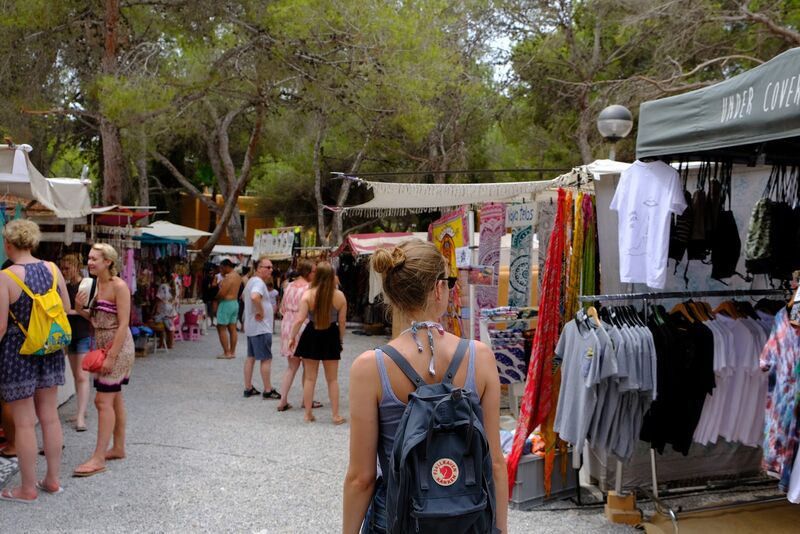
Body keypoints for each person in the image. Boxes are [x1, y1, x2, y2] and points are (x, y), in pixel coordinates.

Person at [342, 239, 508, 533]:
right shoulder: (479, 357)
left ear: (393, 296)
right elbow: (495, 462)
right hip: (467, 516)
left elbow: (361, 477)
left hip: (398, 517)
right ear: (438, 289)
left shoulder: (370, 368)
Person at [0, 219, 68, 501]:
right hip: (49, 350)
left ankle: (27, 488)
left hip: (18, 354)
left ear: (8, 244)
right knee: (50, 417)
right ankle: (51, 480)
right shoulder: (52, 269)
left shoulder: (6, 277)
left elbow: (1, 326)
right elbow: (65, 308)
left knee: (25, 422)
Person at [72, 243, 135, 477]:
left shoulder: (119, 286)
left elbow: (124, 323)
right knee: (115, 398)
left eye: (94, 259)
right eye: (88, 258)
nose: (89, 262)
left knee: (102, 401)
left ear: (107, 261)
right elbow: (94, 317)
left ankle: (98, 457)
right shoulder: (94, 285)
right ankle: (118, 447)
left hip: (117, 346)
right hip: (102, 343)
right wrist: (79, 307)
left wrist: (112, 356)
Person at [288, 261, 347, 424]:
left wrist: (291, 337)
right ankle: (335, 415)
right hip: (331, 335)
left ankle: (308, 414)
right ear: (332, 276)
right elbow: (342, 323)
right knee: (332, 379)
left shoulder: (308, 295)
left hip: (311, 335)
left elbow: (299, 319)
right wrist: (340, 340)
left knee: (310, 379)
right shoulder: (340, 296)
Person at [60, 252, 92, 432]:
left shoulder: (85, 285)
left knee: (81, 376)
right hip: (68, 335)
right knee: (76, 376)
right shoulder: (65, 286)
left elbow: (89, 312)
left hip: (81, 333)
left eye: (67, 267)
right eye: (63, 268)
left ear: (76, 266)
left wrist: (72, 311)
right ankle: (81, 410)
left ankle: (80, 417)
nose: (64, 271)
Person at [276, 260, 314, 412]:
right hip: (303, 324)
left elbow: (282, 308)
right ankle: (307, 400)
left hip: (288, 324)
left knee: (291, 366)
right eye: (314, 271)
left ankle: (282, 400)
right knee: (307, 365)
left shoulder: (288, 285)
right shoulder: (310, 288)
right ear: (307, 273)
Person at [242, 257, 281, 399]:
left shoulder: (251, 281)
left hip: (252, 327)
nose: (271, 270)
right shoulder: (258, 282)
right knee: (266, 359)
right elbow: (254, 297)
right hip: (260, 328)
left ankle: (248, 387)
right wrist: (260, 311)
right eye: (267, 267)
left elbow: (244, 297)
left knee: (251, 357)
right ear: (258, 268)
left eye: (271, 267)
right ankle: (268, 389)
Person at [215, 258, 242, 359]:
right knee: (232, 329)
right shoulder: (238, 276)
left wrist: (216, 298)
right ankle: (232, 352)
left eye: (222, 268)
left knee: (221, 327)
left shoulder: (228, 277)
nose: (221, 270)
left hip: (226, 303)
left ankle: (226, 352)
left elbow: (222, 293)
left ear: (227, 267)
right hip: (234, 303)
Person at [152, 283, 179, 349]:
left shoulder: (163, 286)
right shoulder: (173, 286)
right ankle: (169, 344)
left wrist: (154, 309)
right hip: (170, 309)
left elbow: (159, 297)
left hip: (164, 309)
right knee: (170, 327)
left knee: (163, 328)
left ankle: (163, 344)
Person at [237, 266, 251, 332]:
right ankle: (243, 327)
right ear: (248, 272)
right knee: (243, 311)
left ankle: (243, 327)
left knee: (242, 311)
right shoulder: (246, 279)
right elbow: (246, 289)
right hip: (244, 297)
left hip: (242, 297)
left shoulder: (242, 278)